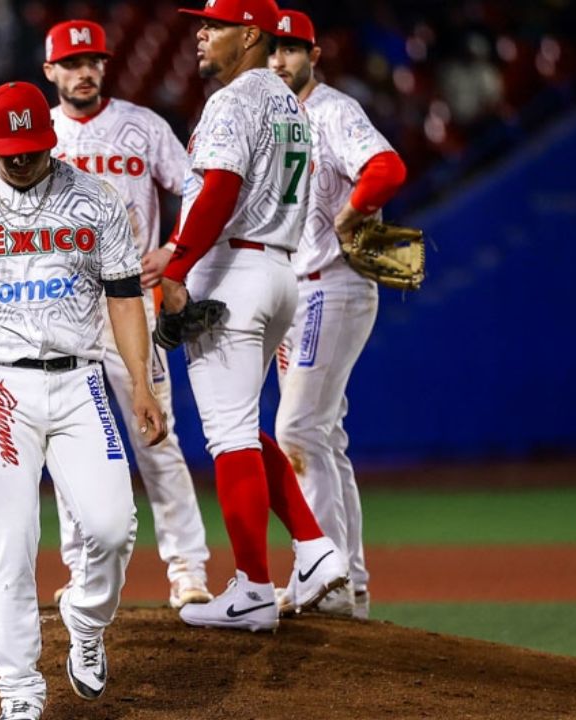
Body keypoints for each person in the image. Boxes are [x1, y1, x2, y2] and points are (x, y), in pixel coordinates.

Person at [0, 81, 165, 720]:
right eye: (9, 150)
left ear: (49, 138)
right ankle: (19, 689)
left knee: (112, 526)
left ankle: (87, 618)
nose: (21, 160)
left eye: (32, 149)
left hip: (80, 380)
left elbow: (125, 297)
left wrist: (143, 383)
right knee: (8, 541)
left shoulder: (95, 202)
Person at [152, 0, 349, 633]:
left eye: (213, 25)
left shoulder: (234, 100)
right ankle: (315, 550)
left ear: (251, 35)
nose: (201, 34)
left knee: (228, 437)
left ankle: (253, 590)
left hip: (233, 269)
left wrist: (178, 267)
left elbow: (219, 188)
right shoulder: (291, 104)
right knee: (241, 424)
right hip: (279, 271)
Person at [41, 19, 212, 609]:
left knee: (155, 437)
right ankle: (81, 568)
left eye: (93, 61)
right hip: (61, 306)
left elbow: (197, 190)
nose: (84, 71)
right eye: (72, 62)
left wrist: (174, 253)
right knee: (65, 442)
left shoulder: (142, 126)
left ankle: (188, 567)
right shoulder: (39, 134)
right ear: (51, 72)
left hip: (131, 302)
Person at [269, 9, 407, 619]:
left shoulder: (333, 111)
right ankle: (346, 583)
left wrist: (355, 209)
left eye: (291, 50)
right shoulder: (268, 119)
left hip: (333, 283)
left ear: (313, 55)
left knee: (296, 432)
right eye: (271, 49)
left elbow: (387, 167)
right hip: (294, 294)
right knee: (324, 437)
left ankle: (322, 577)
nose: (280, 60)